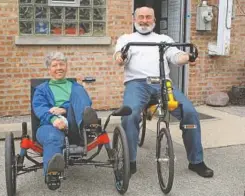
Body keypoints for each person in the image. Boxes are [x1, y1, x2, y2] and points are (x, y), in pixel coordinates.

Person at [114, 6, 214, 178]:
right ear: (134, 19)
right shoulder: (126, 39)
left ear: (153, 20)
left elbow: (176, 56)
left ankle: (196, 161)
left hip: (162, 83)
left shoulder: (163, 39)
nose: (144, 20)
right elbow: (119, 58)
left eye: (148, 17)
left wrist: (188, 57)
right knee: (130, 116)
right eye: (141, 17)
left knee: (190, 112)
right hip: (137, 84)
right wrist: (120, 57)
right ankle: (130, 162)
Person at [32, 51, 98, 190]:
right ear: (49, 69)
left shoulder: (75, 86)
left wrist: (64, 108)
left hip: (75, 123)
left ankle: (88, 126)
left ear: (66, 66)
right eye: (54, 65)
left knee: (80, 91)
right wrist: (53, 118)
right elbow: (40, 107)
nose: (59, 68)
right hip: (50, 124)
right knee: (52, 136)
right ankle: (52, 173)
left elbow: (84, 103)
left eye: (62, 64)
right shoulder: (41, 89)